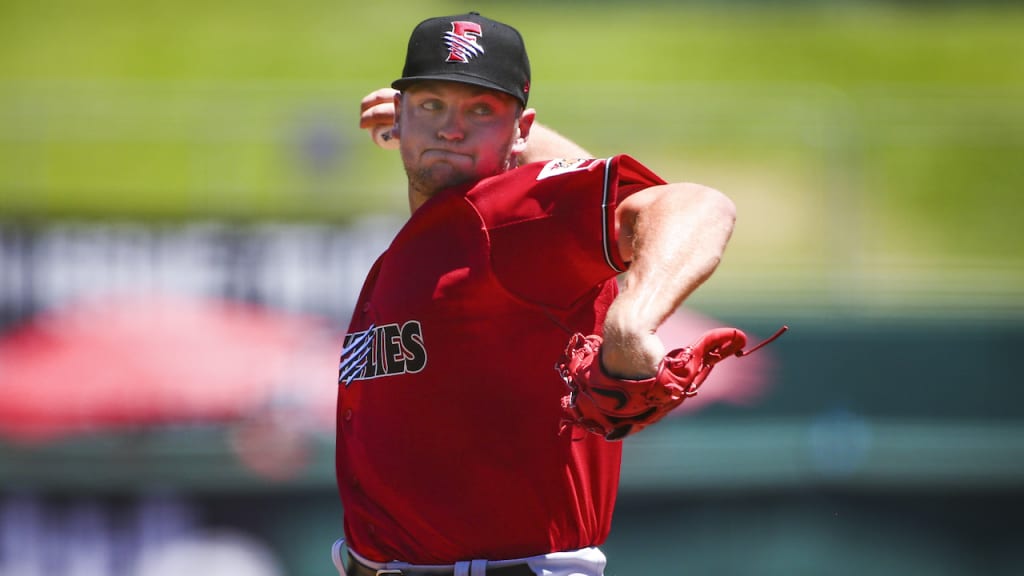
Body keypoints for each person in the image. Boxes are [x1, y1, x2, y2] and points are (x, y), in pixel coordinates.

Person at [335, 12, 736, 576]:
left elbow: (697, 206)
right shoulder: (427, 241)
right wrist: (463, 119)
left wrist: (633, 319)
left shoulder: (506, 218)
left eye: (480, 110)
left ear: (522, 131)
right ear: (399, 114)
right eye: (431, 104)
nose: (451, 128)